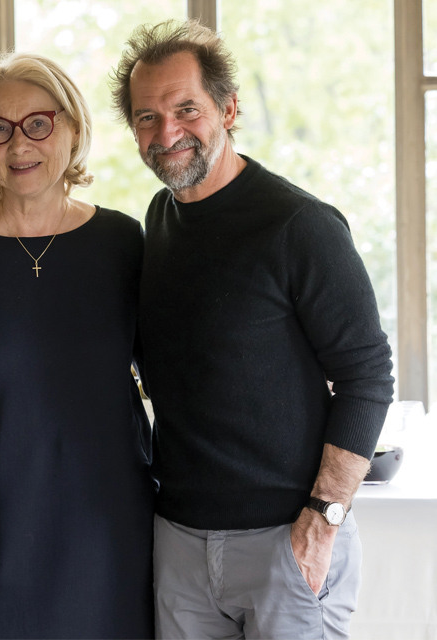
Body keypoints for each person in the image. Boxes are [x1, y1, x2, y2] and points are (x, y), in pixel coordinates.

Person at [110, 19, 394, 640]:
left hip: (286, 539)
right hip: (180, 541)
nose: (168, 133)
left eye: (186, 109)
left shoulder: (301, 226)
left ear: (229, 108)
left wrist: (322, 521)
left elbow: (367, 376)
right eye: (146, 118)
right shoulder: (157, 220)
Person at [0, 52, 155, 639]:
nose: (19, 144)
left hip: (110, 540)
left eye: (38, 123)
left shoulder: (122, 243)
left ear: (72, 127)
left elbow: (173, 379)